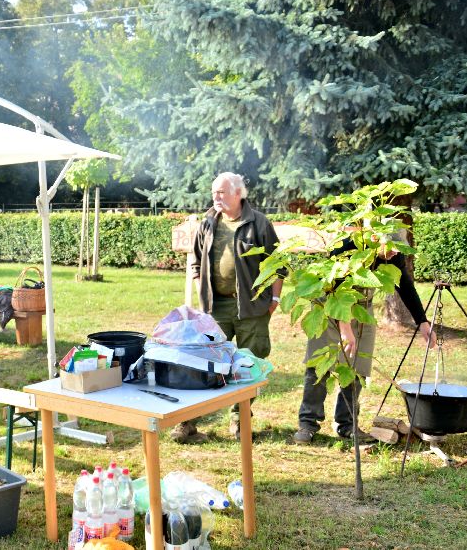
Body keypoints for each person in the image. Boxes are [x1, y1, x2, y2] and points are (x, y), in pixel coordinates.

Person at [171, 172, 283, 443]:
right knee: (203, 362)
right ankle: (188, 422)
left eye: (221, 192)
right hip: (216, 307)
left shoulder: (259, 223)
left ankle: (239, 421)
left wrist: (274, 301)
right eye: (214, 192)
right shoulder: (208, 222)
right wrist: (202, 290)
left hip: (252, 308)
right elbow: (196, 261)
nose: (216, 197)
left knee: (249, 365)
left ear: (238, 193)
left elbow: (278, 264)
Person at [294, 234, 436, 444]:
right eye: (391, 247)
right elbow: (335, 286)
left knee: (358, 365)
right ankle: (308, 423)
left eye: (398, 249)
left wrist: (422, 321)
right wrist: (344, 326)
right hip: (330, 304)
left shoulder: (393, 255)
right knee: (320, 364)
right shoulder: (349, 246)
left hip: (361, 308)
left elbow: (404, 285)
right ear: (376, 238)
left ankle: (347, 424)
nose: (394, 253)